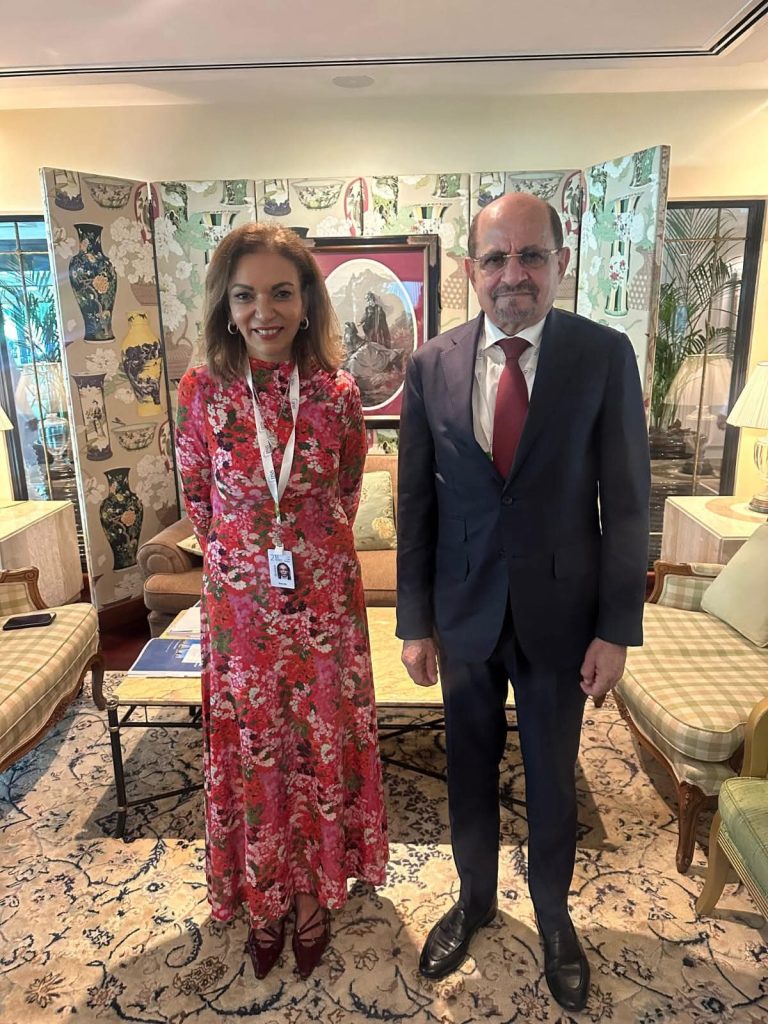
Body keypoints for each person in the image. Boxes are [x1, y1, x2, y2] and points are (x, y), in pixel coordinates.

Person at [396, 193, 650, 1011]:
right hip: (463, 614)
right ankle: (473, 901)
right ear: (472, 270)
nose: (515, 275)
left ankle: (553, 917)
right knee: (466, 772)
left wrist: (615, 629)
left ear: (559, 263)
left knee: (552, 778)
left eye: (531, 256)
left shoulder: (603, 356)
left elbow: (627, 504)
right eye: (497, 258)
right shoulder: (430, 364)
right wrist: (414, 623)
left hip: (562, 617)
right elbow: (416, 504)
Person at [175, 223, 388, 982]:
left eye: (280, 293)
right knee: (254, 747)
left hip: (324, 605)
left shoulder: (337, 392)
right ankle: (263, 897)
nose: (263, 311)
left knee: (317, 746)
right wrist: (250, 564)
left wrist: (301, 550)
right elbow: (198, 498)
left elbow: (348, 490)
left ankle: (312, 895)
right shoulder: (201, 391)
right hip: (239, 612)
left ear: (306, 302)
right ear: (225, 306)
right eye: (245, 295)